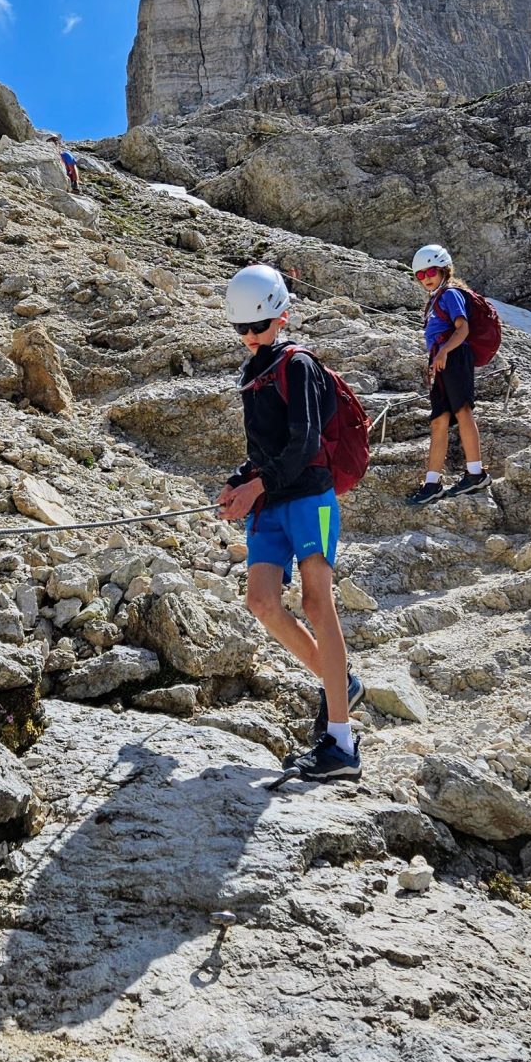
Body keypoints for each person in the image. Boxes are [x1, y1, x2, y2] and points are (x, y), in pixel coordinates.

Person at [216, 263, 365, 782]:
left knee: (315, 601)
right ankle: (339, 684)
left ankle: (341, 745)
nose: (250, 338)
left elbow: (304, 444)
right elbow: (265, 448)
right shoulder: (254, 370)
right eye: (242, 330)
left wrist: (255, 485)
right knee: (260, 602)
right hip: (271, 498)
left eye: (257, 328)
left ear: (281, 316)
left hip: (307, 498)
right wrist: (239, 481)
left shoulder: (298, 365)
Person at [406, 244, 490, 507]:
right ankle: (432, 482)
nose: (426, 278)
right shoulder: (435, 299)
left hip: (454, 356)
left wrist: (443, 353)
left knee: (463, 410)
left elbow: (462, 328)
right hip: (442, 360)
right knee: (439, 420)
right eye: (420, 275)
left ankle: (476, 474)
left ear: (443, 269)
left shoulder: (450, 293)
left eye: (430, 271)